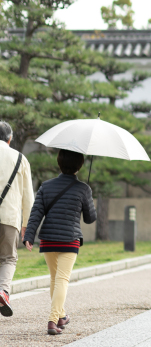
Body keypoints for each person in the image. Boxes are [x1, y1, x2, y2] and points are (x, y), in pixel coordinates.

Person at [23, 149, 96, 335]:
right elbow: (90, 219)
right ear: (79, 165)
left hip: (48, 239)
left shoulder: (46, 186)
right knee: (62, 279)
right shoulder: (83, 188)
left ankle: (61, 316)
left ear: (59, 163)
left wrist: (29, 236)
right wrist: (89, 196)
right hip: (69, 240)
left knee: (55, 279)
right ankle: (52, 320)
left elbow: (36, 214)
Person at [0, 121, 35, 318]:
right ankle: (3, 291)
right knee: (8, 258)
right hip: (9, 217)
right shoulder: (20, 158)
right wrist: (26, 226)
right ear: (10, 139)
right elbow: (28, 196)